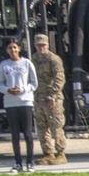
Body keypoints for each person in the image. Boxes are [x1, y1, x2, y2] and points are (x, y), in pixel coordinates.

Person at [0, 38, 38, 173]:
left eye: (15, 47)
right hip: (10, 103)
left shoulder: (27, 63)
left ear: (19, 48)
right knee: (14, 134)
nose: (13, 50)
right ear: (7, 50)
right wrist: (8, 90)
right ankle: (18, 163)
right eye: (10, 48)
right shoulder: (4, 65)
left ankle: (30, 162)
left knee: (28, 133)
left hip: (25, 101)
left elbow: (34, 83)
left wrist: (23, 89)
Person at [33, 33, 67, 166]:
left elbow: (59, 78)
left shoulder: (54, 59)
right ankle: (48, 153)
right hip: (38, 97)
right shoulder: (34, 59)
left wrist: (53, 95)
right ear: (35, 45)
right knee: (42, 126)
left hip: (52, 98)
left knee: (56, 125)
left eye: (43, 45)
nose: (41, 47)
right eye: (38, 45)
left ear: (47, 45)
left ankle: (61, 153)